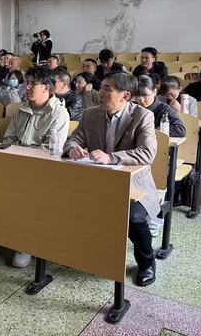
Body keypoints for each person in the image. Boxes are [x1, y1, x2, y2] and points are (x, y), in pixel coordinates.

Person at [63, 72, 158, 286]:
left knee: (133, 217)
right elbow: (73, 139)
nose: (100, 93)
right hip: (99, 182)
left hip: (134, 184)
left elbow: (147, 153)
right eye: (101, 87)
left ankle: (146, 263)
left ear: (125, 96)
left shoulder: (142, 116)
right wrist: (72, 149)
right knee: (67, 202)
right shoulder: (90, 114)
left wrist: (111, 157)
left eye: (108, 89)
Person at [3, 67, 69, 268]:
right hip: (16, 164)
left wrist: (22, 152)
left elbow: (50, 150)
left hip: (43, 169)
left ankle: (26, 244)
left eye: (33, 83)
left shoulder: (59, 113)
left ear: (46, 87)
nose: (28, 87)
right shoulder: (21, 109)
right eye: (27, 83)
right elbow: (8, 139)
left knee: (27, 194)